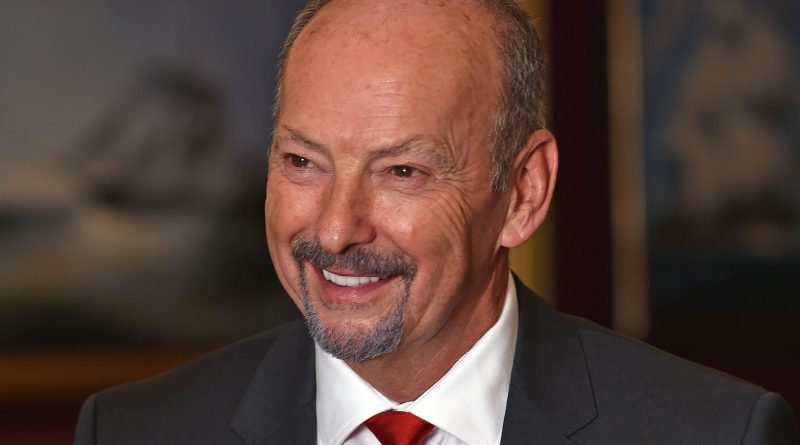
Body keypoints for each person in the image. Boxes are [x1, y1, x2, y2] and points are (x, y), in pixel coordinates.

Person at [74, 0, 799, 444]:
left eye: (401, 172)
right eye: (302, 162)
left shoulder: (710, 433)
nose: (334, 230)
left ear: (524, 192)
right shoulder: (137, 432)